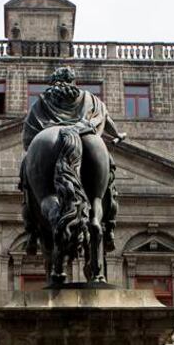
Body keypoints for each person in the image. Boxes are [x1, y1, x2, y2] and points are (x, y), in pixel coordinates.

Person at [21, 67, 125, 254]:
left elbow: (28, 137)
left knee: (26, 177)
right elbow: (107, 121)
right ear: (73, 80)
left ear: (54, 81)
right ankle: (105, 226)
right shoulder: (92, 99)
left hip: (47, 141)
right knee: (108, 179)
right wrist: (118, 135)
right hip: (87, 135)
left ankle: (33, 233)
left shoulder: (42, 101)